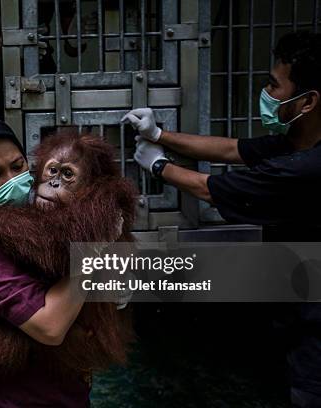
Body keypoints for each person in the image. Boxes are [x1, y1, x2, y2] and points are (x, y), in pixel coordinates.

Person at [123, 30, 321, 407]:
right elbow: (232, 150)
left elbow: (211, 188)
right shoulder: (300, 139)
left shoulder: (308, 168)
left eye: (273, 85)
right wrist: (159, 133)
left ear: (307, 101)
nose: (266, 94)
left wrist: (159, 166)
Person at [0, 116, 91, 407]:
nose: (12, 182)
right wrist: (95, 253)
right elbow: (50, 327)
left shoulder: (48, 208)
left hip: (61, 390)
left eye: (17, 166)